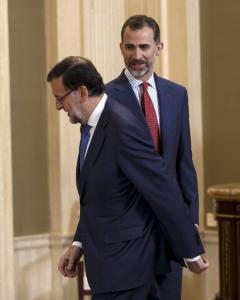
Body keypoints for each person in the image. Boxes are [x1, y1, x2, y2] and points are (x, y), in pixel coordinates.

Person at [47, 56, 208, 300]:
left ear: (81, 92)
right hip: (108, 267)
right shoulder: (89, 125)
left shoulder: (122, 127)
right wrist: (78, 243)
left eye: (60, 98)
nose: (58, 106)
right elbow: (99, 196)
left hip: (127, 269)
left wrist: (191, 251)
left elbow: (161, 189)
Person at [105, 15, 200, 299]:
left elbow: (184, 162)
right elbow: (98, 172)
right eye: (131, 47)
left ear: (159, 47)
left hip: (170, 230)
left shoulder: (177, 95)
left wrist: (189, 220)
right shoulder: (105, 98)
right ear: (120, 47)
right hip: (125, 232)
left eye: (144, 47)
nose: (138, 56)